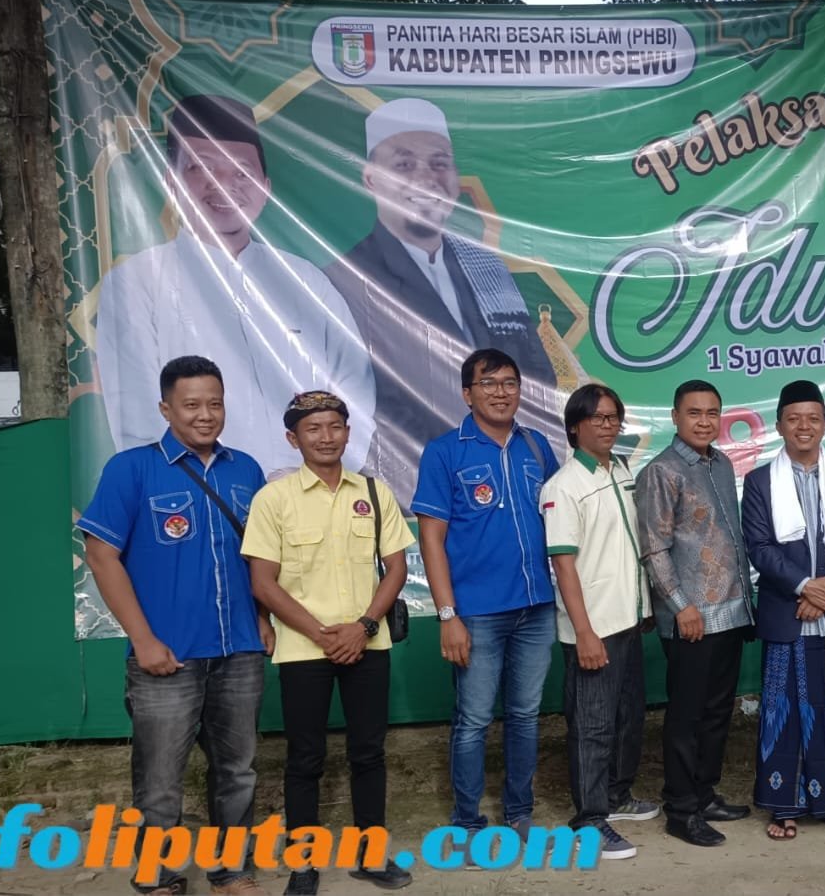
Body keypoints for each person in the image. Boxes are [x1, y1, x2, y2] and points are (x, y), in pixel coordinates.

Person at [97, 93, 375, 477]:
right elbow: (138, 412)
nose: (223, 187)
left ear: (264, 187)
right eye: (202, 169)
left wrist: (315, 481)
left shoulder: (306, 281)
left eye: (240, 173)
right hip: (200, 496)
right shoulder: (137, 283)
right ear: (172, 182)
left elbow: (354, 397)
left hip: (304, 501)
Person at [75, 356, 269, 896]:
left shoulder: (245, 470)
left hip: (240, 652)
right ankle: (159, 876)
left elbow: (259, 558)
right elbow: (101, 556)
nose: (205, 415)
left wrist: (261, 621)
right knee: (160, 782)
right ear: (165, 408)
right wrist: (143, 640)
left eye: (215, 403)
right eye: (191, 405)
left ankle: (230, 871)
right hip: (167, 658)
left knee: (238, 773)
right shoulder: (131, 469)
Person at [327, 98, 557, 502]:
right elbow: (366, 405)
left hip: (508, 475)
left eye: (439, 163)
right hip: (416, 489)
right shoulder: (348, 280)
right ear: (370, 179)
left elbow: (537, 378)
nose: (425, 179)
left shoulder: (485, 267)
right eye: (403, 165)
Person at [242, 392, 413, 895]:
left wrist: (362, 627)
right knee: (305, 757)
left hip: (367, 643)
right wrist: (322, 634)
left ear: (347, 431)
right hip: (303, 650)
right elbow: (264, 583)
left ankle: (371, 853)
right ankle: (304, 864)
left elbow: (397, 567)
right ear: (293, 439)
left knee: (368, 752)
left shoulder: (375, 493)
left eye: (335, 426)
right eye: (313, 429)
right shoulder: (274, 500)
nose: (325, 437)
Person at [410, 348, 559, 847]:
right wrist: (447, 615)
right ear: (467, 393)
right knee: (473, 720)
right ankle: (469, 820)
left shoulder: (536, 448)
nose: (501, 392)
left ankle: (520, 812)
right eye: (489, 383)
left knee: (525, 715)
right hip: (476, 614)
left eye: (510, 382)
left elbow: (560, 524)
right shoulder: (445, 452)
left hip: (537, 609)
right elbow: (431, 538)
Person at [741, 380, 825, 842]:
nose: (803, 426)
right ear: (779, 425)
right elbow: (758, 547)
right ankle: (783, 805)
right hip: (786, 611)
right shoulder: (759, 481)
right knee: (784, 709)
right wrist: (803, 587)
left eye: (812, 418)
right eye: (794, 418)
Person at [634, 380, 756, 848]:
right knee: (685, 717)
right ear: (675, 417)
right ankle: (681, 811)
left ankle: (705, 795)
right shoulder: (661, 471)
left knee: (716, 713)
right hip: (690, 618)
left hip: (729, 613)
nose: (704, 421)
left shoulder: (721, 464)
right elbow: (654, 548)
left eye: (712, 413)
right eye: (694, 413)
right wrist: (681, 606)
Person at [540, 384, 659, 861]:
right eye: (598, 418)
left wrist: (642, 607)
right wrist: (584, 631)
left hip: (629, 619)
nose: (608, 425)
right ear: (575, 427)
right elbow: (564, 566)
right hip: (593, 629)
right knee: (591, 725)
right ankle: (589, 818)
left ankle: (617, 795)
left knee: (628, 716)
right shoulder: (562, 487)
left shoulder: (620, 470)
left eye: (614, 417)